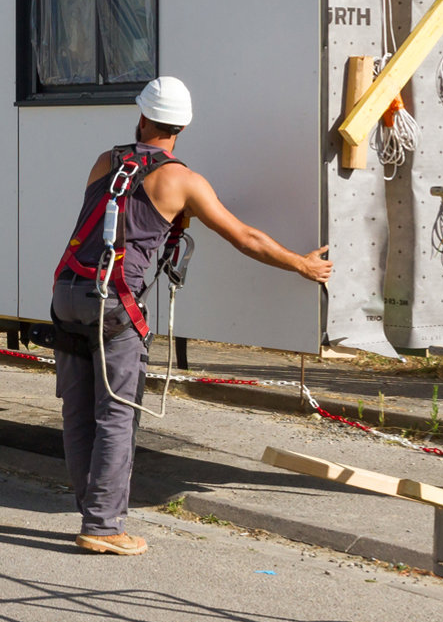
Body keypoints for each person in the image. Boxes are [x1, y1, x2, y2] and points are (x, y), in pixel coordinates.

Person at [50, 76, 333, 556]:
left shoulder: (106, 160)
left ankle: (93, 515)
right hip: (113, 305)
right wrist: (302, 264)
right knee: (116, 415)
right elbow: (247, 238)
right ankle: (101, 526)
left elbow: (107, 218)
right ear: (182, 126)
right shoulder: (184, 181)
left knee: (78, 412)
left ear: (142, 117)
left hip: (67, 293)